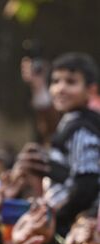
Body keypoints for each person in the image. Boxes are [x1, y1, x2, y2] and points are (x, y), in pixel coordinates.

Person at [15, 52, 100, 234]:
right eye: (55, 81)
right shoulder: (70, 121)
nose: (60, 88)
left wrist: (58, 219)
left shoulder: (81, 130)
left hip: (77, 226)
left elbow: (87, 185)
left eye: (71, 82)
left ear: (91, 91)